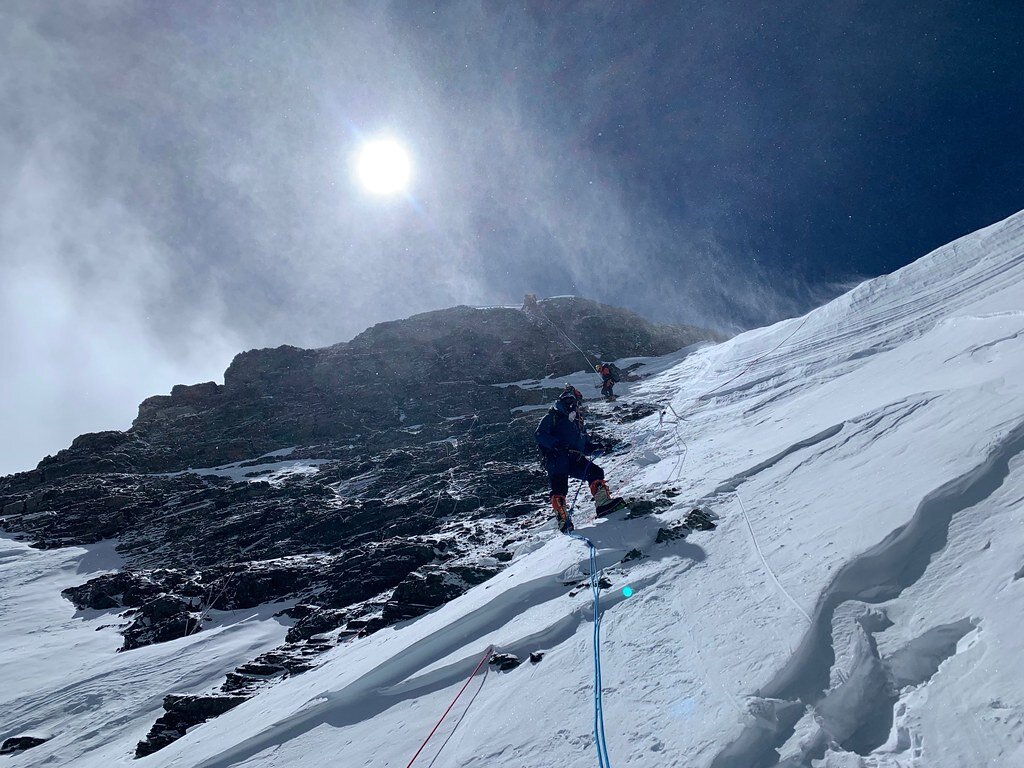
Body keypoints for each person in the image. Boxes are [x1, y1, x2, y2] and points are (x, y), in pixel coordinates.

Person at [534, 384, 625, 534]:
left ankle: (603, 505)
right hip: (557, 458)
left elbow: (585, 446)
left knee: (595, 471)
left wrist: (598, 446)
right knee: (559, 488)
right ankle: (563, 522)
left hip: (574, 457)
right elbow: (539, 435)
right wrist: (556, 445)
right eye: (575, 403)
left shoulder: (578, 423)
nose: (577, 407)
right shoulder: (553, 416)